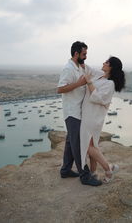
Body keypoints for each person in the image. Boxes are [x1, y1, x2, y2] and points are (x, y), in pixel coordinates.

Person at [57, 41, 102, 186]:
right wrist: (79, 84)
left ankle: (65, 170)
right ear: (76, 54)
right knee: (78, 144)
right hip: (72, 112)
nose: (86, 56)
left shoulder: (79, 67)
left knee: (71, 141)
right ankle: (85, 176)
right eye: (84, 54)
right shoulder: (68, 69)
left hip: (78, 111)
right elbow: (60, 89)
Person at [80, 56, 125, 183]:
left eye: (106, 62)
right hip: (88, 115)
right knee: (92, 145)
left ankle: (108, 169)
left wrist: (89, 82)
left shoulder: (110, 84)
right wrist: (80, 62)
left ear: (111, 67)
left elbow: (99, 98)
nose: (103, 63)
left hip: (94, 117)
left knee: (88, 146)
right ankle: (93, 172)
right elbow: (89, 69)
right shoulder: (100, 76)